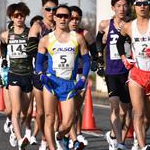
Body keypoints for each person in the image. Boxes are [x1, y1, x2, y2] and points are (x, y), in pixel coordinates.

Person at [36, 4, 90, 150]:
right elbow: (39, 63)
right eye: (59, 15)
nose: (62, 18)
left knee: (68, 121)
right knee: (49, 117)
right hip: (51, 82)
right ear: (54, 17)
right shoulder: (46, 39)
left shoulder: (78, 38)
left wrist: (83, 78)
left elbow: (86, 61)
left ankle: (59, 136)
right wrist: (41, 74)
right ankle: (52, 147)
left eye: (66, 16)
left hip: (69, 84)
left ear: (69, 18)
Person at [96, 0, 132, 149]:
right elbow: (99, 40)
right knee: (115, 107)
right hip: (112, 71)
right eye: (118, 6)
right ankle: (119, 142)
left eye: (124, 5)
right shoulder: (105, 24)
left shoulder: (132, 25)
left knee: (125, 112)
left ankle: (112, 135)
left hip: (128, 72)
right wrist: (98, 59)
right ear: (113, 7)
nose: (122, 9)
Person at [116, 0, 150, 149]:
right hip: (137, 74)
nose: (142, 6)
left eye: (146, 2)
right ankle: (143, 147)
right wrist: (124, 57)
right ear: (134, 6)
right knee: (138, 112)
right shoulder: (129, 26)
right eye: (139, 3)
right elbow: (119, 42)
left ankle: (138, 137)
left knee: (148, 118)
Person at [27, 0, 58, 149]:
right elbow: (31, 50)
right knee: (40, 112)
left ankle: (48, 140)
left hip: (57, 74)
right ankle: (42, 135)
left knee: (53, 112)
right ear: (42, 9)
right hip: (40, 73)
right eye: (48, 9)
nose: (51, 12)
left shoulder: (60, 26)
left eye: (54, 9)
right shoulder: (37, 26)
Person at [0, 2, 32, 150]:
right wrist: (4, 57)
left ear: (25, 16)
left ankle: (14, 130)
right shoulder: (6, 35)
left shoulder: (30, 33)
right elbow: (2, 45)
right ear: (11, 17)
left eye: (22, 15)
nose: (19, 18)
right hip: (14, 75)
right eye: (16, 16)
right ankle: (20, 140)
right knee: (15, 110)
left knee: (26, 113)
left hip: (28, 75)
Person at [68, 5, 97, 149]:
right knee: (70, 108)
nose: (74, 21)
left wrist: (97, 62)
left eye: (77, 19)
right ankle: (71, 136)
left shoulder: (84, 34)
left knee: (76, 108)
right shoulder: (61, 34)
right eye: (71, 18)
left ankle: (76, 133)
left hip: (80, 74)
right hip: (65, 75)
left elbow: (95, 52)